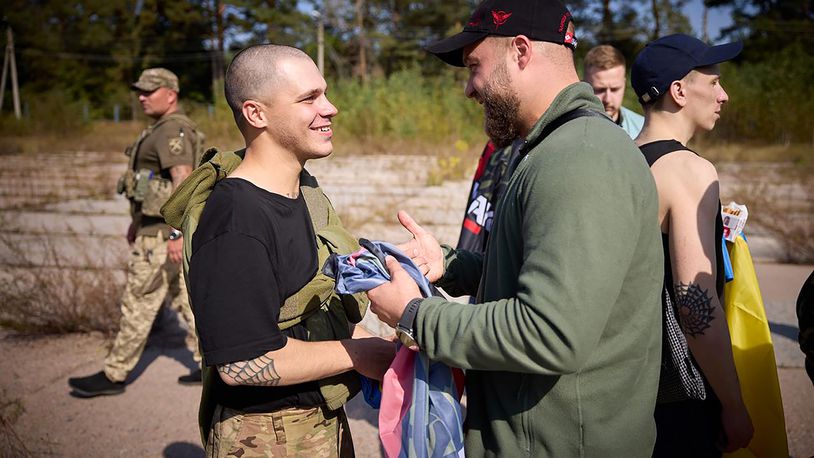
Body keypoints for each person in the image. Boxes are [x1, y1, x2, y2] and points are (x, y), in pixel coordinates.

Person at [368, 0, 665, 455]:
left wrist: (415, 315)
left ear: (520, 51)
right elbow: (550, 273)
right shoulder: (559, 146)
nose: (469, 88)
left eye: (473, 66)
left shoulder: (578, 158)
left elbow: (550, 330)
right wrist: (450, 264)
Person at [184, 45, 395, 457]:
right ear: (256, 114)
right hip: (268, 435)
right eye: (309, 98)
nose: (330, 108)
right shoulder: (236, 219)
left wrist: (389, 348)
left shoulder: (303, 193)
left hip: (319, 421)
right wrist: (358, 354)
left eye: (325, 93)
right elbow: (241, 364)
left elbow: (305, 315)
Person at [631, 33, 754, 455]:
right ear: (679, 91)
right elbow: (693, 301)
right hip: (679, 396)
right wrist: (734, 404)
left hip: (627, 388)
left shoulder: (621, 161)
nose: (724, 95)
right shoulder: (689, 170)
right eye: (714, 82)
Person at [68, 68, 203, 397]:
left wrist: (176, 234)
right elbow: (149, 186)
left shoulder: (173, 130)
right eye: (140, 91)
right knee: (189, 302)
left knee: (138, 302)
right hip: (154, 230)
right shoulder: (160, 129)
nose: (142, 96)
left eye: (150, 91)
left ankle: (114, 375)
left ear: (171, 94)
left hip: (161, 237)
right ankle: (211, 365)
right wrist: (137, 221)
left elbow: (182, 181)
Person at [583, 44, 644, 138]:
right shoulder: (568, 129)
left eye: (615, 89)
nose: (608, 99)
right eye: (600, 90)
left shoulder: (642, 129)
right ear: (584, 85)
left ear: (624, 84)